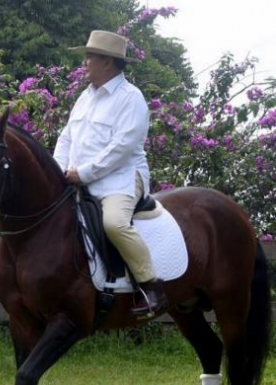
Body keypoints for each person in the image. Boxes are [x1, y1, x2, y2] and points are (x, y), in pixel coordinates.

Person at [52, 30, 168, 318]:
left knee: (115, 223)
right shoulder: (84, 98)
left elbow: (121, 149)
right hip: (79, 178)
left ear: (108, 62)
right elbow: (67, 137)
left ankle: (151, 286)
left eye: (90, 56)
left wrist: (84, 173)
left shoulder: (132, 99)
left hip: (122, 179)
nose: (85, 62)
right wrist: (58, 171)